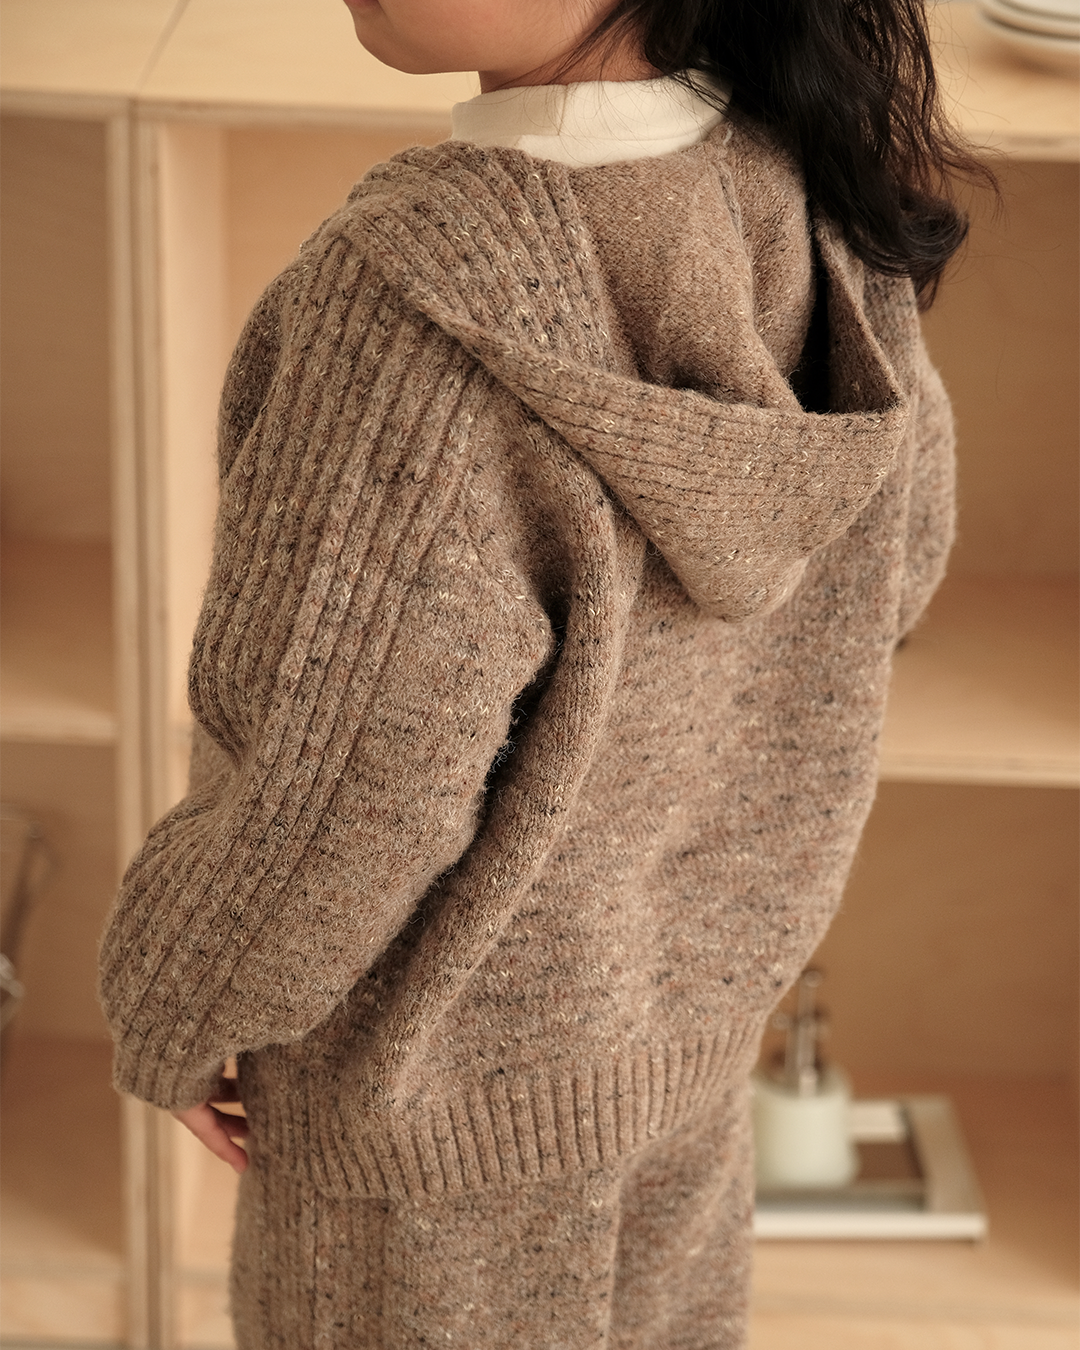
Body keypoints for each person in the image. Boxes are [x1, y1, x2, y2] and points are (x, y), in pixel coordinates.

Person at [98, 0, 985, 1344]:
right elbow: (890, 577)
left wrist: (177, 1001)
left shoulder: (415, 303)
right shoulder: (820, 203)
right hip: (683, 1081)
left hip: (419, 1155)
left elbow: (338, 795)